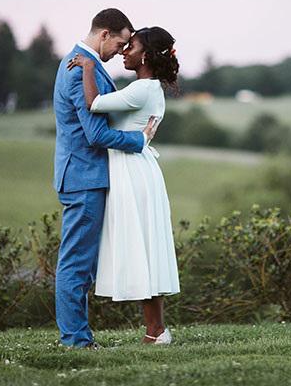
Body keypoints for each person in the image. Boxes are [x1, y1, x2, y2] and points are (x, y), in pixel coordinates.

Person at [67, 26, 180, 345]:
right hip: (134, 169)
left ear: (145, 56)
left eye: (131, 47)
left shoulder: (142, 89)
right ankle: (156, 331)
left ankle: (156, 331)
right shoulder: (146, 87)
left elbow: (93, 103)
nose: (124, 52)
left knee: (143, 248)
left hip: (132, 172)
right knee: (145, 249)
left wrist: (88, 66)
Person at [53, 9, 158, 349]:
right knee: (76, 263)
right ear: (104, 35)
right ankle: (76, 341)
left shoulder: (86, 65)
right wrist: (139, 140)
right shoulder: (78, 69)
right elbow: (96, 134)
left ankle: (78, 337)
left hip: (88, 175)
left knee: (84, 263)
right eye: (120, 43)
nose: (121, 51)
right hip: (84, 176)